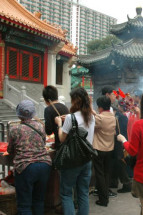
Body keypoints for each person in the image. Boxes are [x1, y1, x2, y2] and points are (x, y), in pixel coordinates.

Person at [55, 87, 95, 215]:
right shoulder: (91, 116)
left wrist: (59, 125)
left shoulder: (70, 118)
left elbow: (62, 138)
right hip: (87, 158)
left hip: (72, 160)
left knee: (66, 193)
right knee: (83, 192)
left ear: (74, 101)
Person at [7, 100, 51, 215]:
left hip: (26, 167)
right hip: (44, 165)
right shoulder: (40, 126)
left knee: (24, 205)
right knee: (39, 201)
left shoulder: (14, 129)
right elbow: (43, 143)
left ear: (19, 113)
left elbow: (10, 150)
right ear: (33, 113)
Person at [92, 96, 116, 206]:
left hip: (99, 149)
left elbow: (93, 124)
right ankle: (105, 196)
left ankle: (103, 199)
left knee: (99, 174)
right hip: (110, 148)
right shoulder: (113, 117)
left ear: (100, 107)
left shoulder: (99, 118)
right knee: (107, 174)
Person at [42, 85, 69, 149]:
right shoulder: (65, 107)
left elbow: (48, 131)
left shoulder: (48, 109)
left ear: (46, 99)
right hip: (68, 143)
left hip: (59, 146)